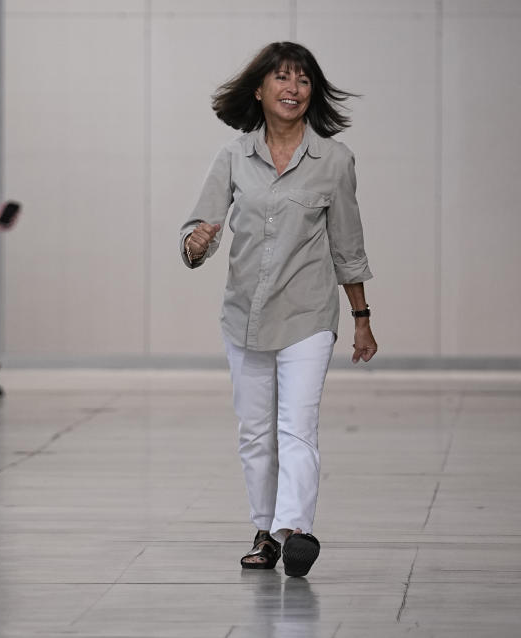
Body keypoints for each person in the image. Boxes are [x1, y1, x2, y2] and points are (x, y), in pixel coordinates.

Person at [179, 42, 377, 577]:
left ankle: (296, 531)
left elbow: (348, 244)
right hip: (244, 312)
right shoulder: (233, 157)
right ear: (260, 90)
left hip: (308, 313)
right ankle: (265, 530)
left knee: (297, 425)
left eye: (304, 80)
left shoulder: (334, 160)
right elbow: (198, 227)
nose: (293, 89)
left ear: (313, 92)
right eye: (282, 79)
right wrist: (197, 244)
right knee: (254, 430)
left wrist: (361, 319)